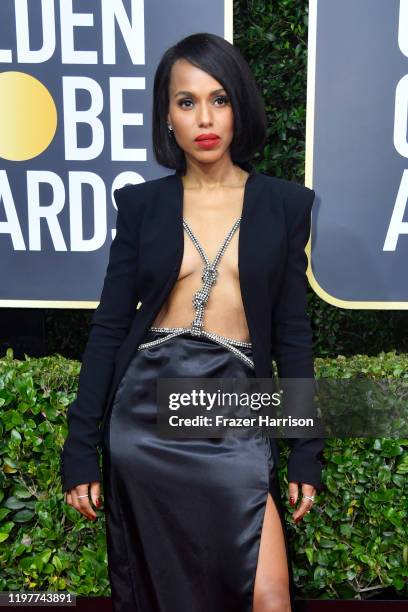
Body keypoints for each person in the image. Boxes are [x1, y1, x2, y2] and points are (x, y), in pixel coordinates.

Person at [60, 32, 325, 612]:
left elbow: (291, 334)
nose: (205, 117)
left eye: (219, 98)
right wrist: (80, 448)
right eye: (187, 102)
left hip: (234, 406)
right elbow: (108, 329)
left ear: (240, 109)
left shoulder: (285, 205)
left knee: (269, 595)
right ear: (168, 117)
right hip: (146, 412)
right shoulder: (142, 206)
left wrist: (305, 445)